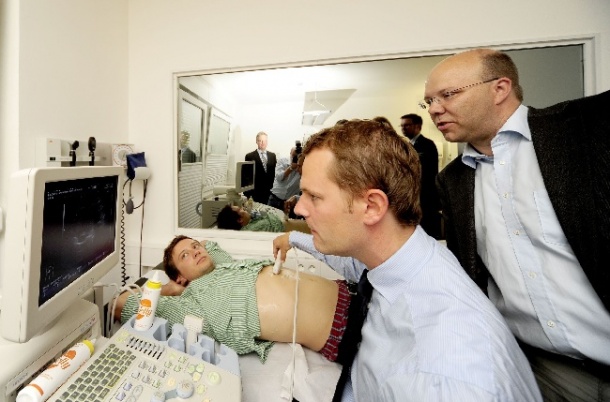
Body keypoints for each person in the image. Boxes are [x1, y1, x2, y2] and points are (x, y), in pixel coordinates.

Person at [272, 119, 541, 401]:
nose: (300, 207)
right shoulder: (402, 255)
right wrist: (294, 239)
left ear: (372, 206)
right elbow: (354, 265)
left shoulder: (447, 377)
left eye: (314, 197)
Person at [424, 48, 610, 401]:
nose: (434, 109)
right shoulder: (452, 181)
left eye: (448, 95)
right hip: (542, 371)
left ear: (500, 88)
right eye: (429, 101)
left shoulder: (585, 128)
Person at [115, 235, 357, 364]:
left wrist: (193, 251)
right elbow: (121, 304)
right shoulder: (191, 306)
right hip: (344, 331)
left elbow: (212, 246)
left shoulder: (224, 266)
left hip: (350, 292)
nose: (197, 250)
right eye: (185, 255)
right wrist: (168, 289)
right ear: (179, 277)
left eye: (196, 246)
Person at [399, 113, 441, 239]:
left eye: (407, 125)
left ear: (418, 126)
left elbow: (426, 173)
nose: (403, 128)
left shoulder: (427, 145)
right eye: (402, 126)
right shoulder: (406, 146)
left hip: (426, 197)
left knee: (428, 232)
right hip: (413, 197)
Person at [245, 132, 276, 203]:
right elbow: (246, 176)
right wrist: (248, 194)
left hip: (270, 192)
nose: (263, 143)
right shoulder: (249, 156)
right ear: (256, 141)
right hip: (255, 193)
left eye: (265, 141)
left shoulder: (272, 156)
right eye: (260, 141)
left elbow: (274, 174)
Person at [267, 146, 301, 210]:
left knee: (286, 219)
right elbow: (279, 177)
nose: (295, 158)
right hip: (275, 198)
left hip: (289, 202)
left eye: (297, 156)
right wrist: (290, 168)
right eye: (293, 155)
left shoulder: (301, 167)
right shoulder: (282, 160)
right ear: (290, 153)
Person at [216, 204, 285, 232]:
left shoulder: (249, 225)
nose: (244, 209)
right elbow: (274, 219)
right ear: (240, 220)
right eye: (241, 210)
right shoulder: (259, 226)